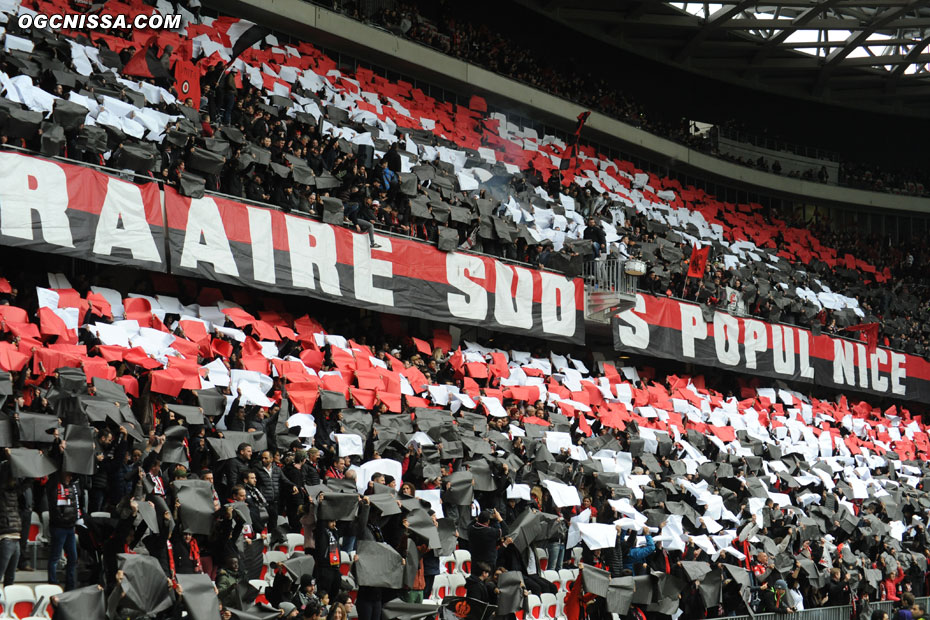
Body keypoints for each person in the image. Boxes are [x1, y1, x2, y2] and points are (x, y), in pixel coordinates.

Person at [46, 470, 82, 590]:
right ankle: (53, 584)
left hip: (70, 527)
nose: (69, 476)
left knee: (73, 557)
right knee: (55, 557)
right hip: (58, 527)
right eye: (67, 474)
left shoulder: (72, 485)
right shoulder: (53, 485)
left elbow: (78, 472)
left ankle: (70, 586)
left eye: (71, 474)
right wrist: (61, 454)